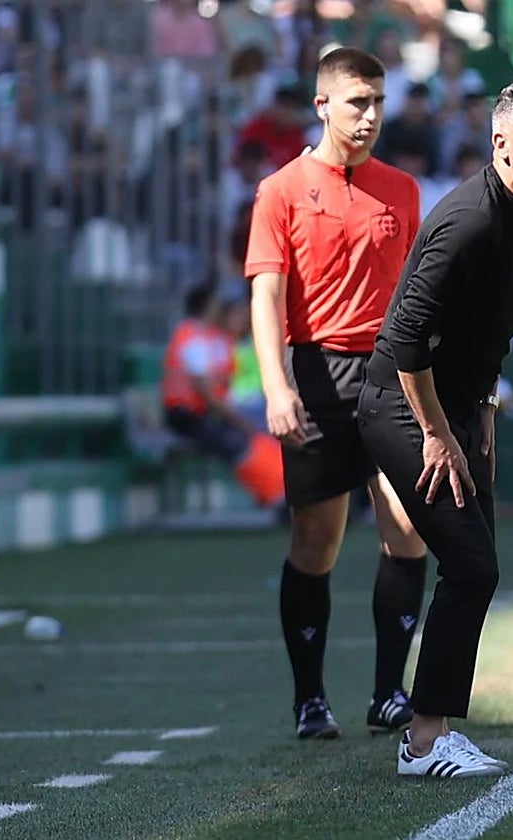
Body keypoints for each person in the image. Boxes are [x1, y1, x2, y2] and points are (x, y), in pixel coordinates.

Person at [357, 76, 513, 778]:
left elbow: (494, 325)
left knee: (473, 565)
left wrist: (482, 409)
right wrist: (436, 432)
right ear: (500, 141)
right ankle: (423, 741)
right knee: (474, 564)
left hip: (457, 404)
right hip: (402, 402)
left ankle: (433, 730)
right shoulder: (467, 220)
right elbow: (406, 341)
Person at [245, 46, 429, 740]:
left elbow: (419, 296)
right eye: (358, 102)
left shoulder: (403, 189)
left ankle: (389, 695)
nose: (371, 115)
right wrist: (276, 386)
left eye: (378, 101)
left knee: (408, 530)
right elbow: (267, 296)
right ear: (322, 105)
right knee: (317, 541)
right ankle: (310, 700)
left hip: (390, 375)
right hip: (317, 375)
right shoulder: (280, 191)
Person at [162, 283, 284, 509]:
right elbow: (209, 395)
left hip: (208, 413)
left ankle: (280, 491)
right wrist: (242, 422)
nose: (222, 307)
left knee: (262, 434)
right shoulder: (192, 339)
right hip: (190, 416)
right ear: (206, 307)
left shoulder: (210, 336)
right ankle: (276, 495)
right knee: (240, 442)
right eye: (217, 303)